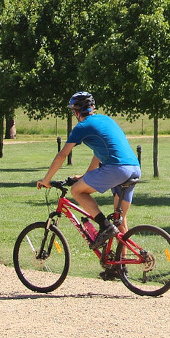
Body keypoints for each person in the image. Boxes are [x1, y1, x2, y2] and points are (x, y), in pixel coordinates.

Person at [37, 92, 140, 254]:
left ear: (76, 112)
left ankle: (105, 227)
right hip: (134, 168)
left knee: (77, 191)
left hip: (116, 169)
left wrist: (46, 179)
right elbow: (99, 154)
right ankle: (120, 268)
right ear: (92, 108)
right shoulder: (106, 120)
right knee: (119, 222)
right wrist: (84, 177)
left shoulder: (82, 127)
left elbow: (62, 155)